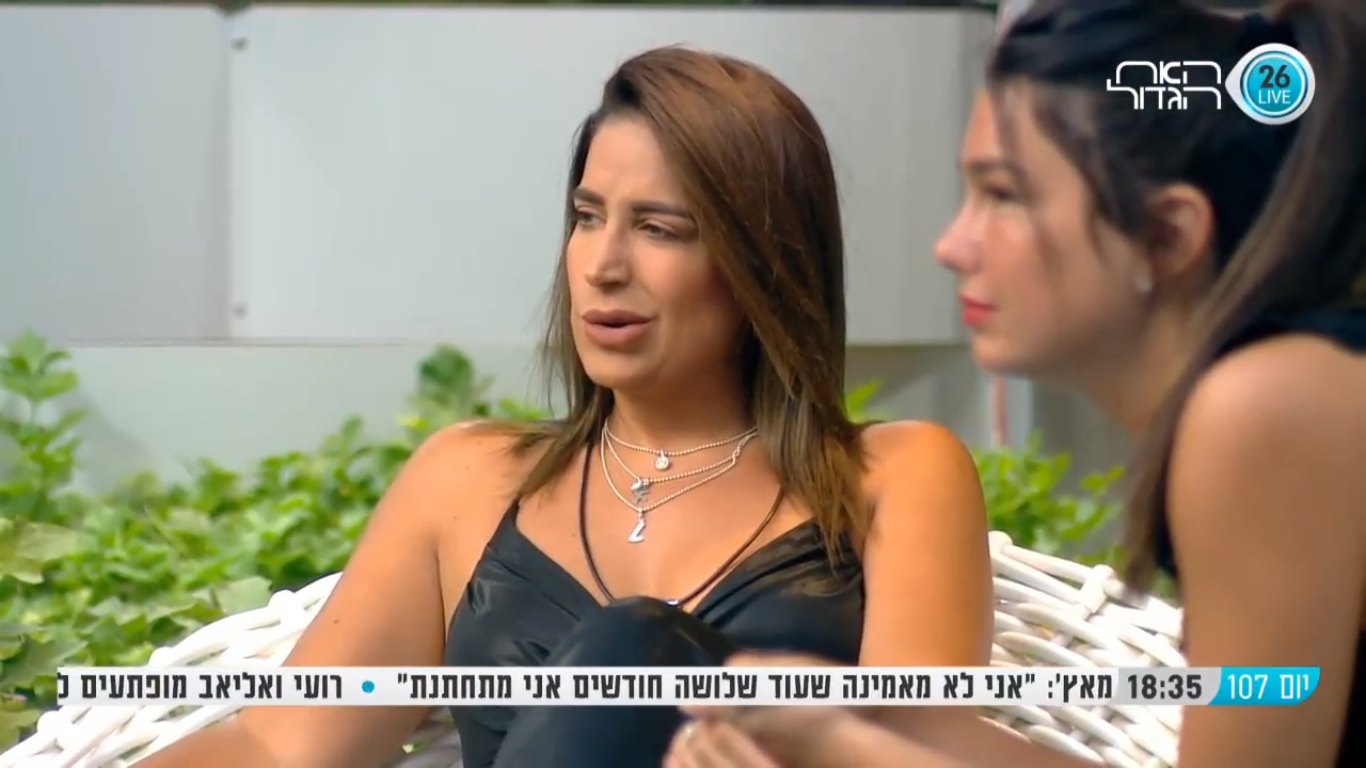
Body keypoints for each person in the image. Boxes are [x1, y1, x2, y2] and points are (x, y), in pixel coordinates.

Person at [133, 46, 995, 768]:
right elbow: (278, 745)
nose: (602, 265)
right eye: (587, 217)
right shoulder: (466, 478)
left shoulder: (895, 476)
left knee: (637, 647)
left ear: (763, 263)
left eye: (659, 228)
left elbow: (914, 753)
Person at [665, 0, 1366, 766]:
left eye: (1003, 195)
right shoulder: (1280, 389)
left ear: (1168, 235)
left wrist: (842, 747)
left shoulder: (1264, 410)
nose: (951, 245)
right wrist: (869, 721)